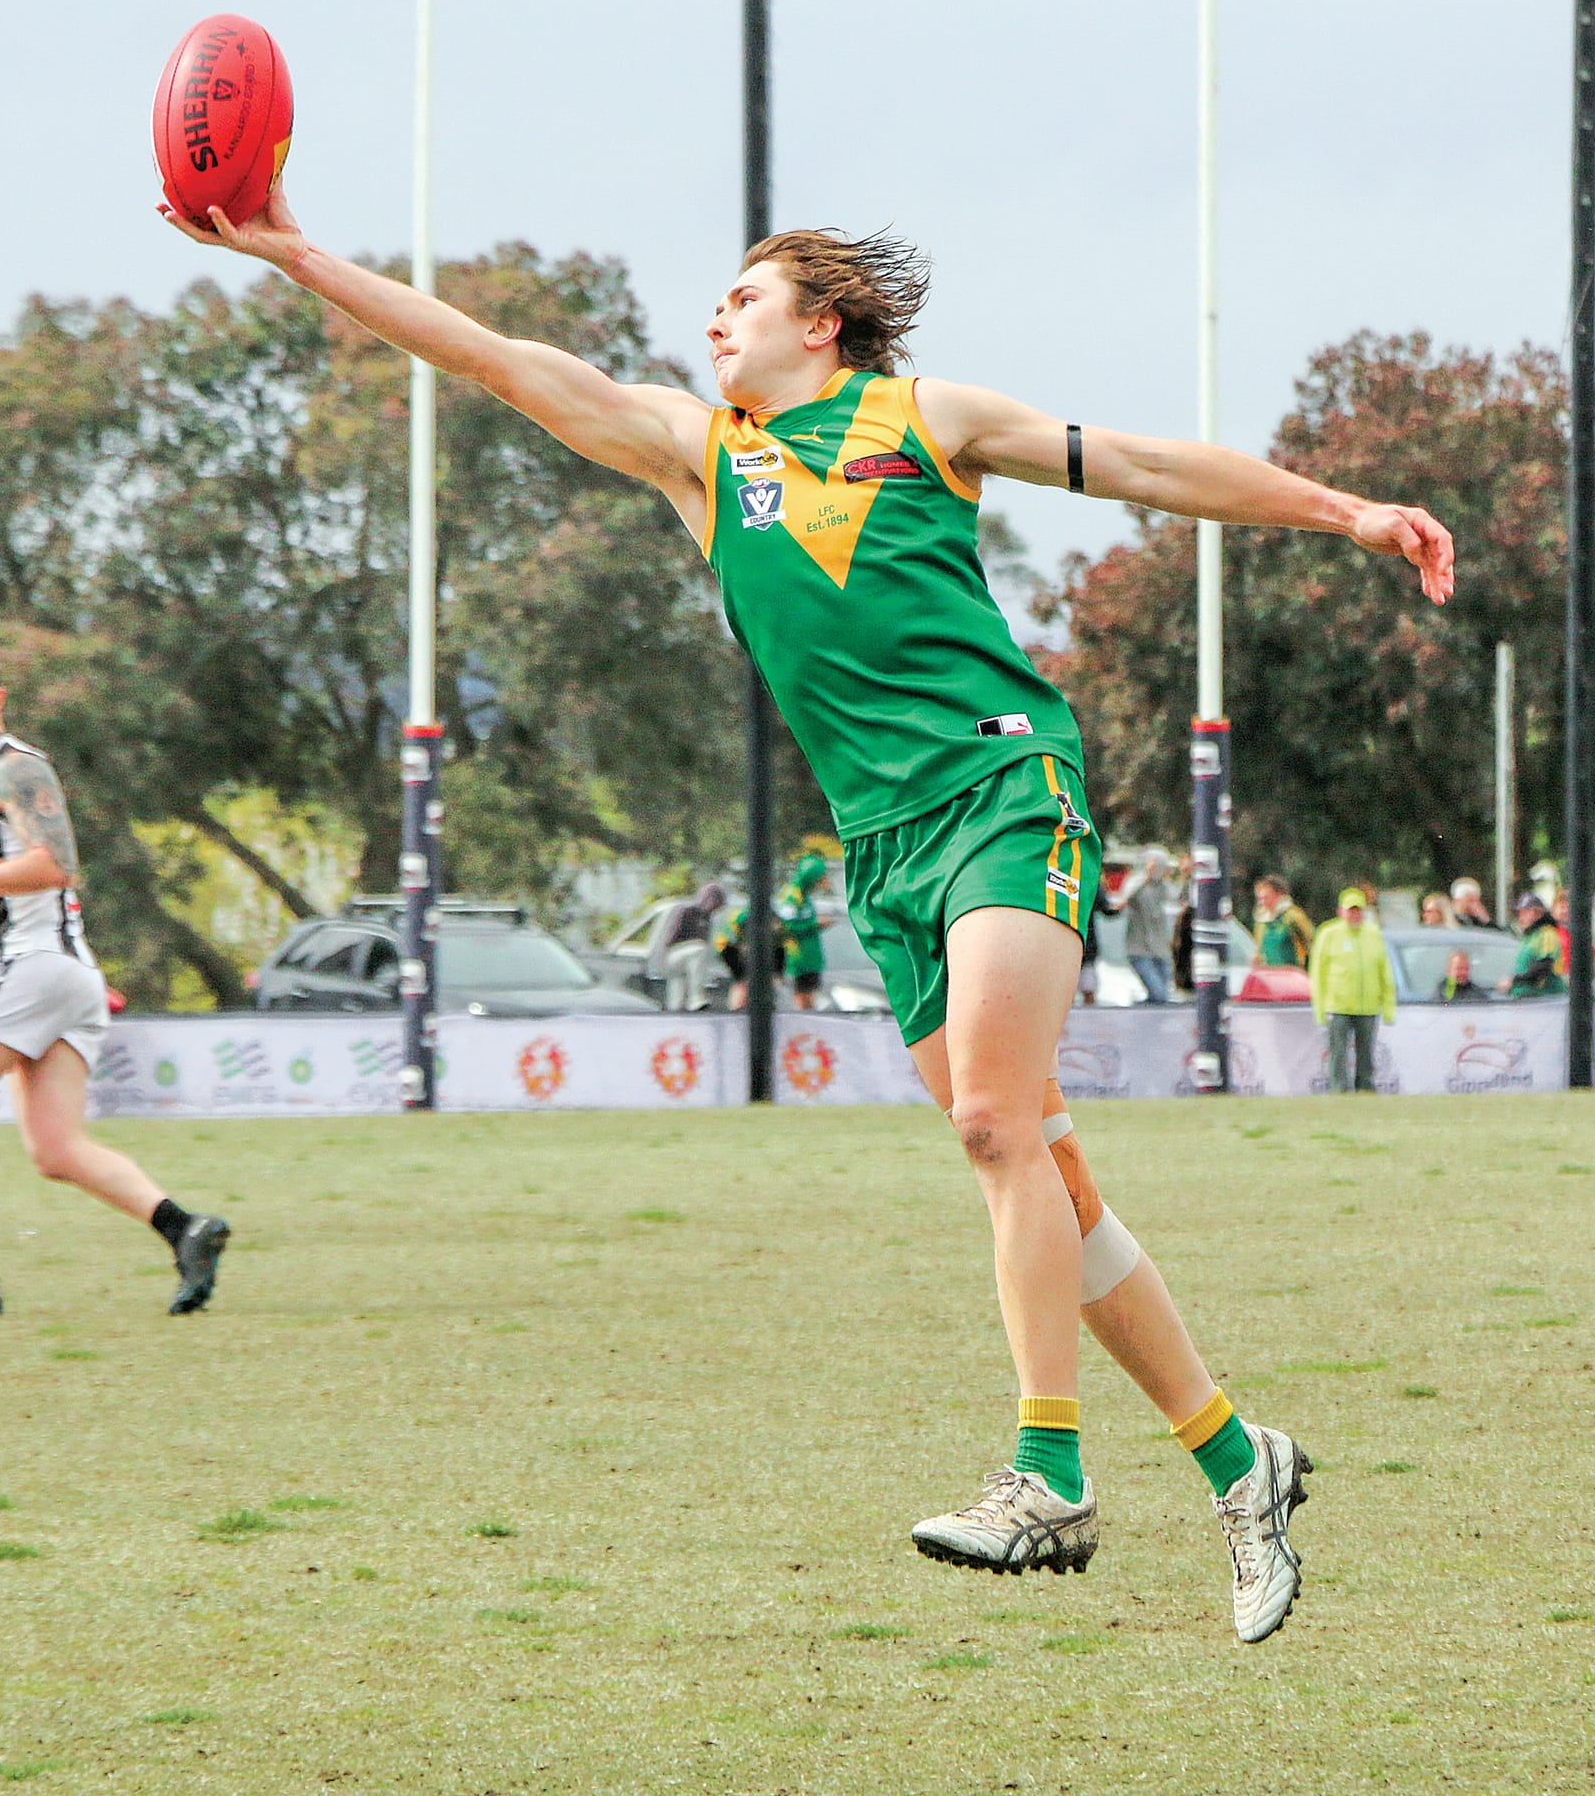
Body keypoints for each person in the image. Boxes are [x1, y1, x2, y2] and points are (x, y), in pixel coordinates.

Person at [172, 190, 1455, 1641]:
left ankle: (1048, 1472)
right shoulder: (698, 458)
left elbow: (1150, 465)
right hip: (883, 852)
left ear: (819, 324)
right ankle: (1240, 1458)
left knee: (991, 1121)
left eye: (744, 295)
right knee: (1047, 1178)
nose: (716, 316)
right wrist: (290, 252)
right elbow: (486, 353)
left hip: (1004, 783)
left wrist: (1343, 506)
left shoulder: (926, 417)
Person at [0, 644, 230, 1320]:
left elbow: (56, 864)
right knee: (56, 1149)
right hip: (64, 976)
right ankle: (185, 1228)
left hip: (28, 964)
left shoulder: (15, 765)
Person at [1310, 888, 1396, 1092]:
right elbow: (1317, 972)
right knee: (1338, 1053)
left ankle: (1365, 1088)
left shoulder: (1373, 934)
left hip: (1368, 1006)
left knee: (1366, 1052)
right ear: (1341, 911)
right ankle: (1338, 1089)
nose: (1354, 914)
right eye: (1350, 910)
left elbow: (1384, 971)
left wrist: (1389, 1006)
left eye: (1358, 910)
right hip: (1338, 1005)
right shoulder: (1328, 933)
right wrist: (1320, 1008)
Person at [1118, 850, 1176, 1003]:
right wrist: (1145, 877)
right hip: (1139, 947)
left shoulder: (1163, 886)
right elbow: (1126, 898)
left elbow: (1174, 898)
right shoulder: (1136, 881)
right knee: (1159, 994)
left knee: (1163, 997)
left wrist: (1167, 877)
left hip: (1160, 947)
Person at [776, 854, 832, 1010]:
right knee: (803, 1004)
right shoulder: (792, 895)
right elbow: (786, 927)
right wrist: (815, 924)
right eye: (819, 879)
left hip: (811, 959)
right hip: (799, 960)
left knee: (810, 1002)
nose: (821, 883)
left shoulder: (805, 896)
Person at [1499, 892, 1566, 998]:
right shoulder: (1529, 936)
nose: (1521, 916)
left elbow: (1544, 965)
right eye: (1520, 912)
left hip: (1544, 999)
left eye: (1525, 912)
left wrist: (1515, 980)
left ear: (1538, 914)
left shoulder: (1546, 934)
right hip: (1525, 998)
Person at [1251, 876, 1314, 968]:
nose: (1263, 902)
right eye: (1260, 898)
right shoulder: (1261, 921)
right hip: (1270, 974)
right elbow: (1259, 948)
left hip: (1294, 972)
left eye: (1266, 897)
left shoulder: (1293, 915)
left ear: (1279, 894)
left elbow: (1311, 941)